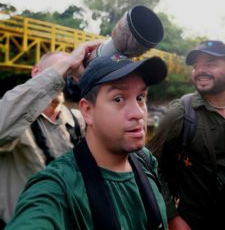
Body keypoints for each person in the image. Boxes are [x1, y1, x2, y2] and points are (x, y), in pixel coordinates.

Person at [5, 53, 168, 230]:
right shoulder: (55, 189)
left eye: (140, 97)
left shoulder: (145, 160)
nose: (138, 113)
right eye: (118, 99)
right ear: (87, 110)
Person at [0, 40, 102, 228]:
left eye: (70, 72)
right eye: (63, 69)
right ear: (37, 74)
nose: (65, 77)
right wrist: (68, 62)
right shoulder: (14, 122)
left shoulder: (79, 120)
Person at [148, 40, 225, 230]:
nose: (200, 70)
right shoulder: (182, 112)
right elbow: (149, 164)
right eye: (196, 66)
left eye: (210, 63)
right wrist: (172, 218)